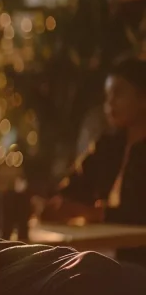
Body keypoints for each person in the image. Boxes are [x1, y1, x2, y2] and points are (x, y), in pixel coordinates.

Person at [51, 56, 146, 267]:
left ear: (142, 98)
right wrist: (58, 204)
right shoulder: (108, 145)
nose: (109, 103)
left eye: (118, 93)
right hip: (105, 255)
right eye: (107, 95)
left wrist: (97, 213)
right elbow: (74, 184)